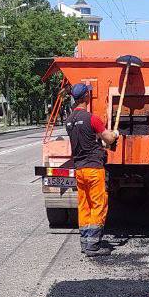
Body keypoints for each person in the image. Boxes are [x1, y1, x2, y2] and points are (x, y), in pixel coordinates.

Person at [64, 82, 119, 259]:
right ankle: (93, 245)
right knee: (98, 204)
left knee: (84, 205)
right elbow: (109, 138)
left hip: (79, 169)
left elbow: (84, 138)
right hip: (94, 168)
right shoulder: (92, 118)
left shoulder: (69, 121)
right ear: (86, 97)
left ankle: (85, 241)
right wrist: (115, 134)